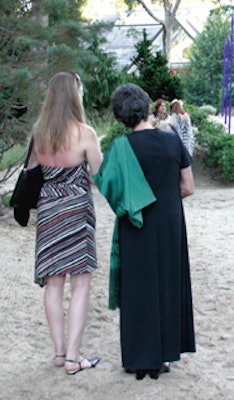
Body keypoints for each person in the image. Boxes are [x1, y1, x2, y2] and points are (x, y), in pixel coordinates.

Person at [94, 83, 196, 380]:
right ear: (148, 107)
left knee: (138, 288)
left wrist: (136, 202)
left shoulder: (120, 149)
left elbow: (108, 188)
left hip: (135, 224)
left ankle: (139, 359)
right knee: (167, 282)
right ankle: (164, 357)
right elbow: (188, 188)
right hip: (169, 222)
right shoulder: (172, 141)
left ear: (120, 116)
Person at [28, 72, 103, 374]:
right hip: (76, 210)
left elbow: (33, 172)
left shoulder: (39, 132)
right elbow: (98, 172)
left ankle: (59, 353)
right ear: (75, 96)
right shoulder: (85, 133)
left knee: (53, 283)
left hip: (48, 210)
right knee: (81, 282)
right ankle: (74, 358)